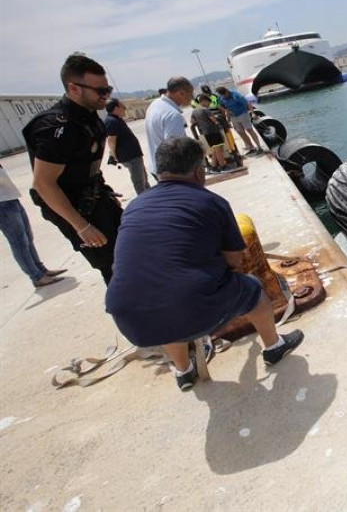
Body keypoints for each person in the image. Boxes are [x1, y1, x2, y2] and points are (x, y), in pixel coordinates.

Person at [105, 137, 303, 391]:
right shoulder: (212, 203)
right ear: (199, 172)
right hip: (189, 309)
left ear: (158, 172)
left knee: (159, 298)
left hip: (132, 322)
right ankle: (275, 346)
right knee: (252, 287)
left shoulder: (134, 206)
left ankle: (184, 371)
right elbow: (236, 262)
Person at [22, 54, 122, 285]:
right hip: (78, 210)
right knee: (113, 267)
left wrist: (105, 193)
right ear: (74, 88)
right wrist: (82, 226)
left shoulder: (89, 117)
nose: (106, 96)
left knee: (129, 254)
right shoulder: (56, 127)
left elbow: (90, 167)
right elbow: (43, 184)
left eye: (107, 89)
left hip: (96, 198)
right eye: (100, 91)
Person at [0, 163, 67, 287]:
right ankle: (36, 277)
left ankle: (41, 270)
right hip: (2, 203)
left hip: (10, 198)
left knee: (27, 238)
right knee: (19, 242)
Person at [145, 77, 192, 179]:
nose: (191, 98)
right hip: (172, 173)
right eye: (190, 94)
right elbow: (175, 149)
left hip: (157, 167)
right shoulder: (172, 115)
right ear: (181, 93)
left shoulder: (155, 104)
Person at [104, 98, 150, 195]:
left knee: (143, 178)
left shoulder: (116, 120)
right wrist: (113, 155)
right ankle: (145, 201)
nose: (125, 109)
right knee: (139, 182)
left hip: (133, 155)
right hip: (130, 157)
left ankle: (151, 197)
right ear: (116, 108)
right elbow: (111, 140)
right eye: (122, 106)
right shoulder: (111, 121)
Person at [216, 87, 263, 155]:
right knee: (241, 133)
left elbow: (247, 103)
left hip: (243, 114)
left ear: (227, 91)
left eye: (224, 94)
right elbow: (219, 106)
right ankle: (251, 147)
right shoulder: (220, 97)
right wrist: (226, 111)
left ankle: (259, 147)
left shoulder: (236, 95)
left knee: (249, 130)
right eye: (222, 95)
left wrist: (253, 113)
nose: (224, 96)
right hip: (233, 117)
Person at [190, 94, 228, 173]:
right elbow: (214, 120)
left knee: (214, 149)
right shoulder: (205, 110)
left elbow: (192, 121)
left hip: (205, 132)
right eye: (208, 102)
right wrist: (218, 122)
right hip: (213, 131)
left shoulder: (194, 111)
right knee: (218, 149)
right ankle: (223, 166)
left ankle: (214, 166)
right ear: (204, 101)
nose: (208, 104)